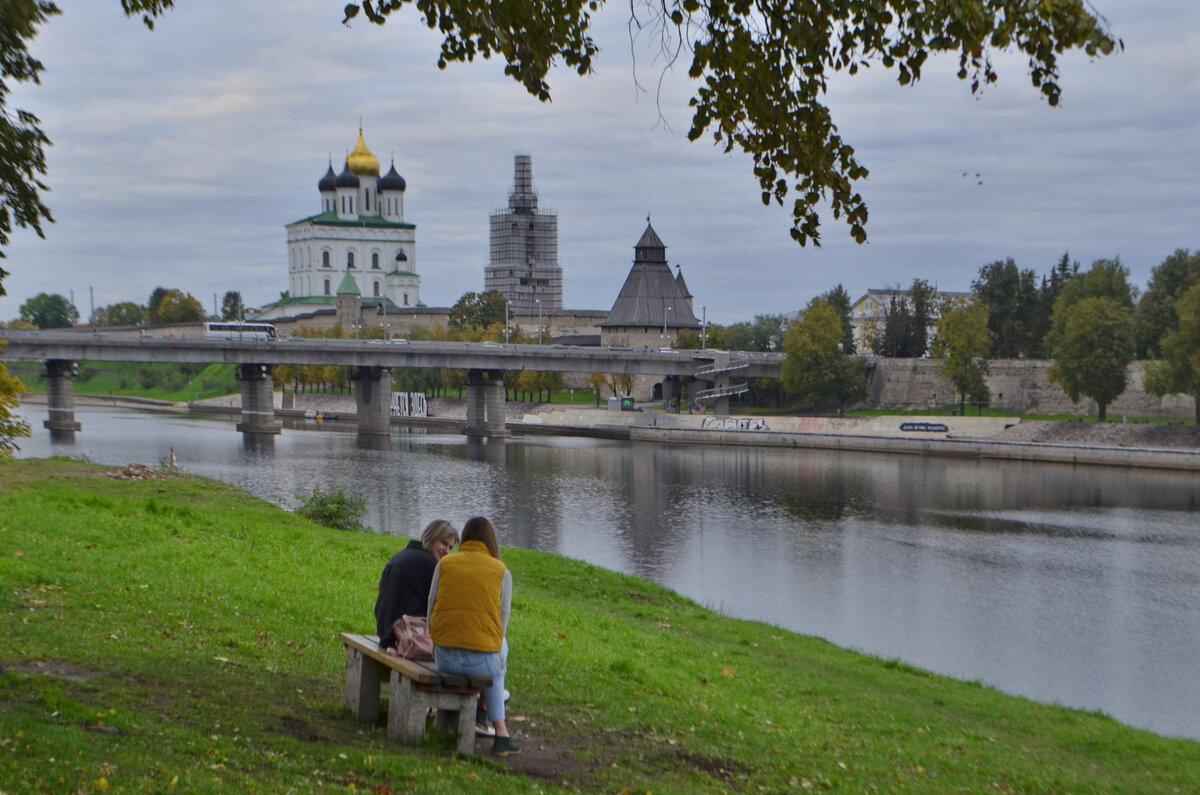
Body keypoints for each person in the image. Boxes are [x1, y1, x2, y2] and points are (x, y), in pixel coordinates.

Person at [427, 516, 519, 755]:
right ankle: (498, 730)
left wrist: (436, 642)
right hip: (483, 663)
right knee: (501, 653)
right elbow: (502, 625)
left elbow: (431, 607)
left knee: (497, 655)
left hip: (444, 657)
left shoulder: (445, 565)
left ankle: (486, 718)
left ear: (464, 539)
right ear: (491, 541)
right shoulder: (502, 573)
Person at [374, 519, 458, 649]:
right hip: (405, 636)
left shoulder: (404, 555)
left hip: (386, 632)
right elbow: (441, 608)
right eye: (443, 543)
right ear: (431, 538)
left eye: (450, 547)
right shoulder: (430, 565)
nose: (447, 550)